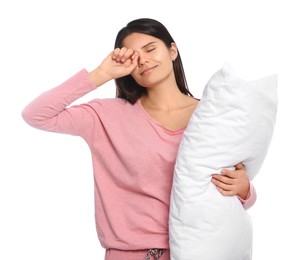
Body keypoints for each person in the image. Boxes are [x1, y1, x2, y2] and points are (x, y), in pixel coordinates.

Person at [22, 18, 256, 260]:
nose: (143, 60)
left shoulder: (212, 115)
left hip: (200, 251)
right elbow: (36, 114)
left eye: (150, 48)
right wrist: (100, 74)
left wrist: (245, 189)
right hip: (130, 254)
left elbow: (239, 191)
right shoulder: (106, 116)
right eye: (133, 57)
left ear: (172, 50)